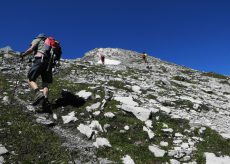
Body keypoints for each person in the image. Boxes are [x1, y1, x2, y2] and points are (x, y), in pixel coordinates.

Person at [20, 33, 53, 106]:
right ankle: (45, 100)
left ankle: (38, 94)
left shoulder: (37, 40)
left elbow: (31, 49)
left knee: (30, 79)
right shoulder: (49, 45)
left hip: (40, 60)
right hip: (48, 64)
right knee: (45, 84)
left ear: (39, 37)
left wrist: (23, 55)